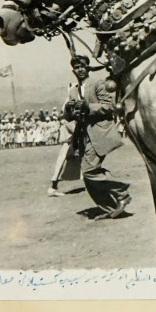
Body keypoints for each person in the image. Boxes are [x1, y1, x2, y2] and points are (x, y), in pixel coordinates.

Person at [52, 55, 131, 219]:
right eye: (76, 67)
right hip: (83, 136)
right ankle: (109, 208)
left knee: (89, 171)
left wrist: (89, 107)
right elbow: (68, 116)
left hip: (99, 132)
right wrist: (68, 109)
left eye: (82, 66)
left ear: (88, 67)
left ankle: (121, 192)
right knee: (88, 176)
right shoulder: (73, 90)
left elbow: (109, 107)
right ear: (73, 70)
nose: (79, 69)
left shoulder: (97, 84)